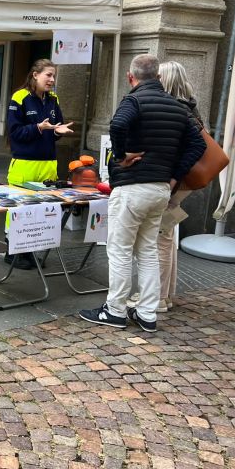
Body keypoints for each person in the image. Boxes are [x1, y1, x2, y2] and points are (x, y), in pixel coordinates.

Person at [79, 54, 206, 333]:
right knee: (147, 250)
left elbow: (117, 125)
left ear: (130, 77)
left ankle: (115, 310)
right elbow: (198, 145)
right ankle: (147, 313)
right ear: (158, 77)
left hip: (132, 188)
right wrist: (174, 177)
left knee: (120, 250)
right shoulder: (177, 107)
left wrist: (121, 157)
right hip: (160, 189)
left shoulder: (133, 100)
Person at [5, 59, 74, 269]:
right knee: (19, 208)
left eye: (54, 76)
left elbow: (55, 128)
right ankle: (12, 251)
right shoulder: (20, 97)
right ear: (35, 75)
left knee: (41, 211)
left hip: (48, 164)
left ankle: (28, 251)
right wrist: (38, 128)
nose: (52, 80)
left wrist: (57, 132)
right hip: (25, 164)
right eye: (48, 75)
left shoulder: (53, 99)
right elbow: (15, 132)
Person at [154, 60, 205, 312]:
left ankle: (157, 298)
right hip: (183, 182)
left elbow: (192, 148)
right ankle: (166, 294)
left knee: (160, 237)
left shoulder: (175, 110)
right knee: (168, 234)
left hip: (174, 181)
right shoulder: (190, 107)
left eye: (158, 76)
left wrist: (173, 178)